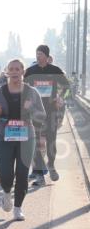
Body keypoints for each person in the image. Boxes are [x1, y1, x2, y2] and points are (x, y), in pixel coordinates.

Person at [0, 58, 47, 221]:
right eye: (11, 69)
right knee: (6, 175)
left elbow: (42, 115)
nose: (14, 72)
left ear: (23, 71)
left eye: (17, 69)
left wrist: (31, 109)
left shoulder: (32, 92)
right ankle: (7, 192)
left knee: (22, 174)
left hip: (26, 138)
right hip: (4, 139)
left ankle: (18, 208)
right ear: (7, 72)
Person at [25, 44, 71, 184]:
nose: (38, 56)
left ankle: (51, 164)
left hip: (51, 111)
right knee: (36, 142)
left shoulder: (55, 70)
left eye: (40, 54)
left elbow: (68, 88)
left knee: (51, 141)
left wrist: (61, 98)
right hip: (35, 113)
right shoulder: (30, 71)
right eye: (36, 54)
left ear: (46, 56)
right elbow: (23, 89)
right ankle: (40, 174)